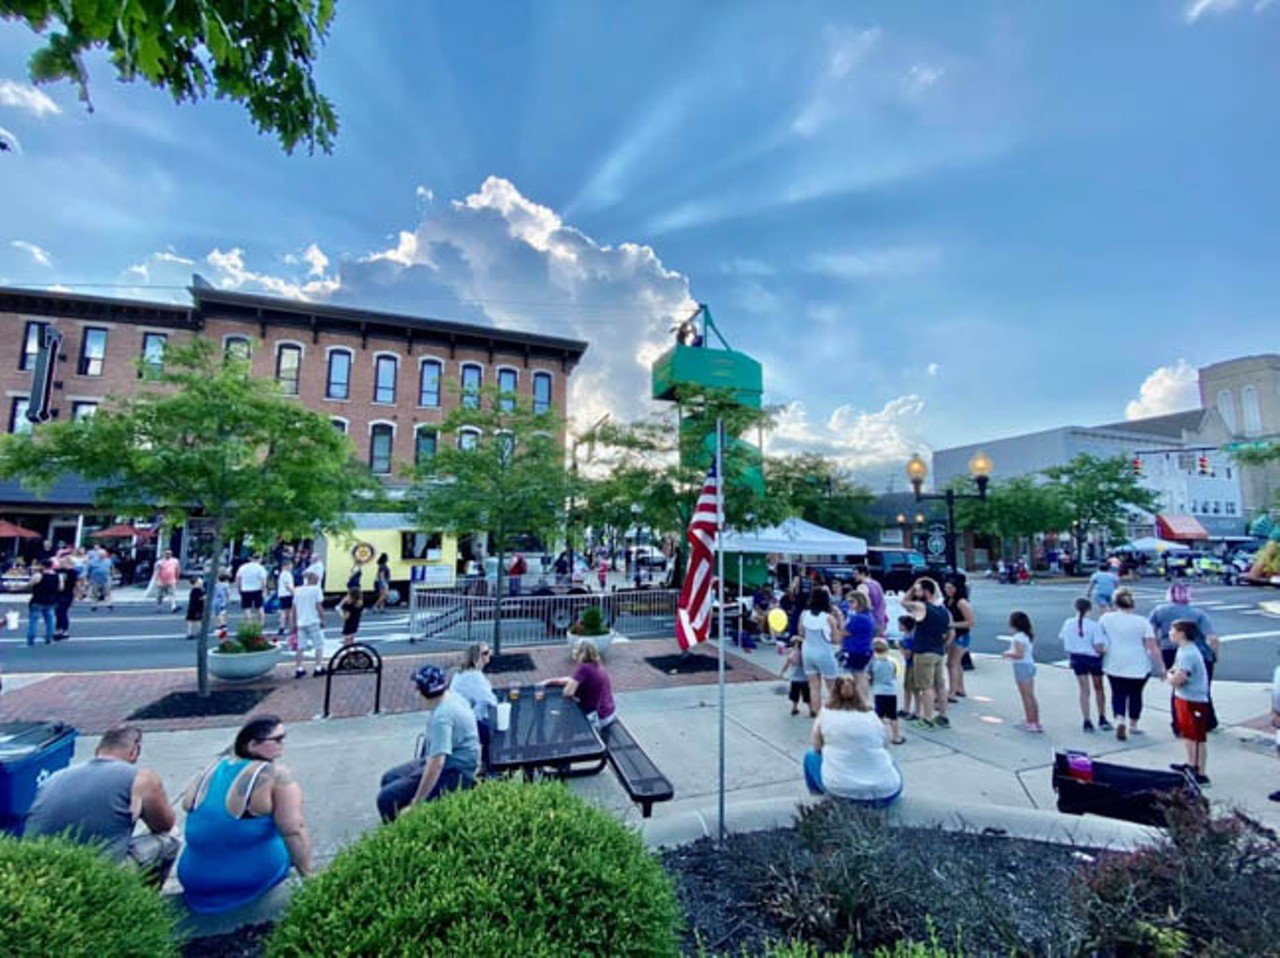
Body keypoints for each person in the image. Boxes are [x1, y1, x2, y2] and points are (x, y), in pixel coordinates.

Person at [178, 715, 312, 913]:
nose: (282, 744)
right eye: (277, 739)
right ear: (252, 745)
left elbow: (189, 806)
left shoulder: (211, 770)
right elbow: (293, 829)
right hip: (246, 880)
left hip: (194, 880)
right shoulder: (276, 775)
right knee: (289, 835)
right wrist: (309, 877)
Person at [25, 724, 179, 887]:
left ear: (97, 751)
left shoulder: (55, 778)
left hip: (39, 872)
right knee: (171, 838)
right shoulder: (139, 777)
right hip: (95, 875)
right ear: (134, 752)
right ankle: (143, 905)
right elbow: (164, 825)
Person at [377, 666, 480, 821]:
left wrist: (417, 803)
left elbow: (436, 765)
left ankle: (402, 832)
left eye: (417, 689)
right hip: (454, 760)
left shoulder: (442, 718)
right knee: (389, 778)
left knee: (386, 799)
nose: (416, 693)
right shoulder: (452, 697)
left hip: (455, 772)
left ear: (425, 693)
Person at [803, 675, 903, 806]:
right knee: (887, 759)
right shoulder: (871, 715)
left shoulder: (826, 714)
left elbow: (816, 747)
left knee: (810, 756)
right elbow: (884, 745)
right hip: (886, 792)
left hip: (842, 793)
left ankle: (818, 799)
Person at [1101, 588, 1164, 741]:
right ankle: (1133, 724)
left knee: (1118, 693)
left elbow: (1100, 640)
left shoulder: (1106, 619)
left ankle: (1119, 719)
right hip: (1139, 663)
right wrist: (1162, 666)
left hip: (1114, 661)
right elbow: (1152, 645)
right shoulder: (1142, 621)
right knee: (1136, 694)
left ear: (1115, 603)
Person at [901, 577, 952, 729]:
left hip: (924, 651)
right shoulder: (943, 611)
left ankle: (927, 718)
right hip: (938, 650)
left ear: (925, 591)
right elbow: (948, 630)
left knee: (926, 687)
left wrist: (912, 586)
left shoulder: (921, 607)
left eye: (918, 590)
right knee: (940, 685)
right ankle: (942, 716)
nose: (916, 593)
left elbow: (903, 602)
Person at [1166, 620, 1212, 786]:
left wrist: (1169, 677)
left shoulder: (1188, 654)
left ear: (1182, 633)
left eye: (1173, 630)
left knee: (1197, 737)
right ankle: (1191, 764)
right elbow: (1175, 669)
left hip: (1194, 700)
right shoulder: (1183, 650)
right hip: (1184, 698)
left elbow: (1179, 678)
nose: (1170, 633)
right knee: (1188, 734)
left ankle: (1200, 773)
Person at [1059, 597, 1111, 732]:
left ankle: (1087, 720)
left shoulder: (1068, 623)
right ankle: (1102, 717)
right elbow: (1099, 647)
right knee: (1099, 688)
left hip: (1076, 658)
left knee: (1084, 690)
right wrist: (1106, 652)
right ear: (1090, 609)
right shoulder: (1094, 626)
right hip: (1093, 659)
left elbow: (1064, 638)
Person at [540, 640, 617, 729]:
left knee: (563, 720)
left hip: (598, 717)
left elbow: (568, 692)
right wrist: (550, 681)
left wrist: (566, 686)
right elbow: (572, 679)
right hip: (608, 712)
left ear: (579, 652)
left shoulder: (584, 668)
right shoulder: (597, 665)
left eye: (575, 649)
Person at [1148, 583, 1219, 674]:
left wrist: (1156, 649)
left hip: (1168, 650)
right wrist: (1213, 656)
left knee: (1176, 680)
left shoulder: (1159, 611)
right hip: (1194, 651)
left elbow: (1150, 633)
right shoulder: (1198, 614)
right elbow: (1212, 638)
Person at [449, 642, 498, 760]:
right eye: (485, 653)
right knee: (495, 731)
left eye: (489, 652)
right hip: (463, 723)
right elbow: (491, 701)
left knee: (487, 727)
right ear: (476, 656)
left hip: (457, 719)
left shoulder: (464, 672)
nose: (488, 655)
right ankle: (490, 767)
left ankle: (485, 765)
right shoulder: (473, 676)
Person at [798, 587, 841, 718]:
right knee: (832, 687)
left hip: (808, 652)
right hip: (824, 653)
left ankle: (816, 712)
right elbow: (836, 640)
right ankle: (834, 712)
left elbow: (801, 632)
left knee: (814, 686)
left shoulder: (804, 614)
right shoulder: (829, 618)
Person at [1003, 611, 1042, 732]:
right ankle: (1035, 720)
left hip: (1021, 666)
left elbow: (1019, 654)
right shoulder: (1026, 636)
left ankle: (1030, 722)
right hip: (1029, 664)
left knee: (1026, 696)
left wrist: (1007, 654)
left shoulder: (1018, 638)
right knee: (1030, 695)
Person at [943, 577, 975, 701]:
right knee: (956, 663)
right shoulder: (947, 601)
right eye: (946, 587)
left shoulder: (962, 602)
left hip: (961, 635)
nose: (948, 590)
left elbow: (970, 622)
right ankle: (959, 688)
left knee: (952, 663)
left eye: (951, 588)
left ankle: (952, 691)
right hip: (952, 635)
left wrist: (952, 624)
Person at [839, 591, 876, 693]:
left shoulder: (858, 618)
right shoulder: (868, 616)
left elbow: (845, 632)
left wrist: (840, 618)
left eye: (852, 602)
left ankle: (862, 699)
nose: (849, 605)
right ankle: (863, 699)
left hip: (856, 650)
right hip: (864, 649)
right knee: (860, 675)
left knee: (858, 676)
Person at [869, 638, 904, 744]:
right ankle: (896, 736)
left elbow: (870, 677)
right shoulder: (892, 662)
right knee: (893, 716)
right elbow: (896, 674)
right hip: (891, 692)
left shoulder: (873, 663)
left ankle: (877, 737)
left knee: (878, 716)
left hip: (878, 692)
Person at [293, 570, 327, 678]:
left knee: (300, 646)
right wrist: (323, 619)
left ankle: (299, 668)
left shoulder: (297, 590)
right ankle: (318, 667)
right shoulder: (316, 590)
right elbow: (319, 606)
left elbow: (294, 608)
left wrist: (293, 622)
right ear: (313, 580)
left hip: (301, 622)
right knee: (319, 645)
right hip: (313, 621)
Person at [26, 558, 58, 646]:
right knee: (50, 620)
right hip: (50, 600)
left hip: (38, 599)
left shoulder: (39, 575)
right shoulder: (57, 576)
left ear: (43, 566)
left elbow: (30, 584)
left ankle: (31, 640)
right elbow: (60, 587)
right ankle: (49, 638)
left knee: (34, 620)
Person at [235, 553, 268, 626]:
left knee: (247, 608)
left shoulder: (243, 567)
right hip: (257, 589)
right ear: (260, 559)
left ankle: (249, 624)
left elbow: (238, 579)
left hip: (245, 589)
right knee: (260, 607)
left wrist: (239, 588)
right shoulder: (260, 568)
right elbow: (263, 580)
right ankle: (261, 624)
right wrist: (264, 590)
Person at [853, 565, 887, 636]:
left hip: (868, 621)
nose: (854, 576)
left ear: (862, 574)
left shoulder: (862, 586)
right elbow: (883, 603)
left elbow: (862, 604)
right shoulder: (877, 584)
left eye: (855, 573)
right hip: (880, 620)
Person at [780, 635, 809, 717]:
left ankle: (794, 708)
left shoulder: (792, 655)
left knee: (795, 696)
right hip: (806, 679)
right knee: (807, 696)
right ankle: (811, 710)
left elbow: (786, 665)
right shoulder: (806, 656)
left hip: (795, 679)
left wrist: (782, 673)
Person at [896, 614, 918, 721]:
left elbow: (907, 654)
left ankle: (913, 710)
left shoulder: (909, 638)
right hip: (910, 664)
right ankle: (907, 708)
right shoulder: (909, 635)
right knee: (908, 687)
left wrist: (900, 647)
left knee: (912, 688)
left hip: (912, 664)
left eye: (900, 624)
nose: (898, 626)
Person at [52, 553, 78, 641]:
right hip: (57, 594)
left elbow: (75, 585)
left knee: (62, 612)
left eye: (65, 561)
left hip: (67, 594)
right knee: (58, 612)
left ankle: (64, 630)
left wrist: (76, 596)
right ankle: (58, 629)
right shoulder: (58, 571)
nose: (62, 562)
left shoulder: (72, 572)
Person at [85, 546, 114, 612]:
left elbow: (111, 568)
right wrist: (89, 577)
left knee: (107, 592)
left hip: (105, 579)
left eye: (104, 554)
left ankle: (108, 604)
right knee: (95, 593)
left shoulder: (108, 561)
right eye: (101, 554)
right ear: (98, 555)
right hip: (95, 579)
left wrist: (111, 575)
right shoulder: (92, 561)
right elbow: (89, 570)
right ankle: (94, 605)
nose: (103, 555)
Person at [153, 549, 181, 614]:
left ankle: (173, 607)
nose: (168, 554)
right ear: (164, 554)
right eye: (166, 553)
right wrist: (156, 580)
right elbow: (156, 571)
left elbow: (177, 570)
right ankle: (159, 607)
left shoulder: (175, 561)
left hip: (171, 580)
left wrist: (177, 578)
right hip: (161, 581)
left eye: (169, 553)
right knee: (160, 595)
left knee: (172, 594)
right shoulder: (159, 562)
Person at [275, 557, 295, 637]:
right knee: (290, 612)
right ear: (286, 566)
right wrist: (293, 593)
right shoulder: (287, 574)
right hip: (288, 595)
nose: (291, 567)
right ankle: (291, 628)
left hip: (282, 594)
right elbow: (288, 586)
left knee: (284, 611)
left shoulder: (282, 574)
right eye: (290, 565)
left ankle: (282, 627)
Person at [185, 575, 205, 640]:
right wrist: (205, 597)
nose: (201, 582)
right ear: (197, 583)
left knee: (190, 621)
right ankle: (200, 632)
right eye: (200, 581)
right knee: (197, 621)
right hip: (197, 608)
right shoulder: (198, 590)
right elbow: (200, 598)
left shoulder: (193, 590)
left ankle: (189, 633)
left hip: (191, 607)